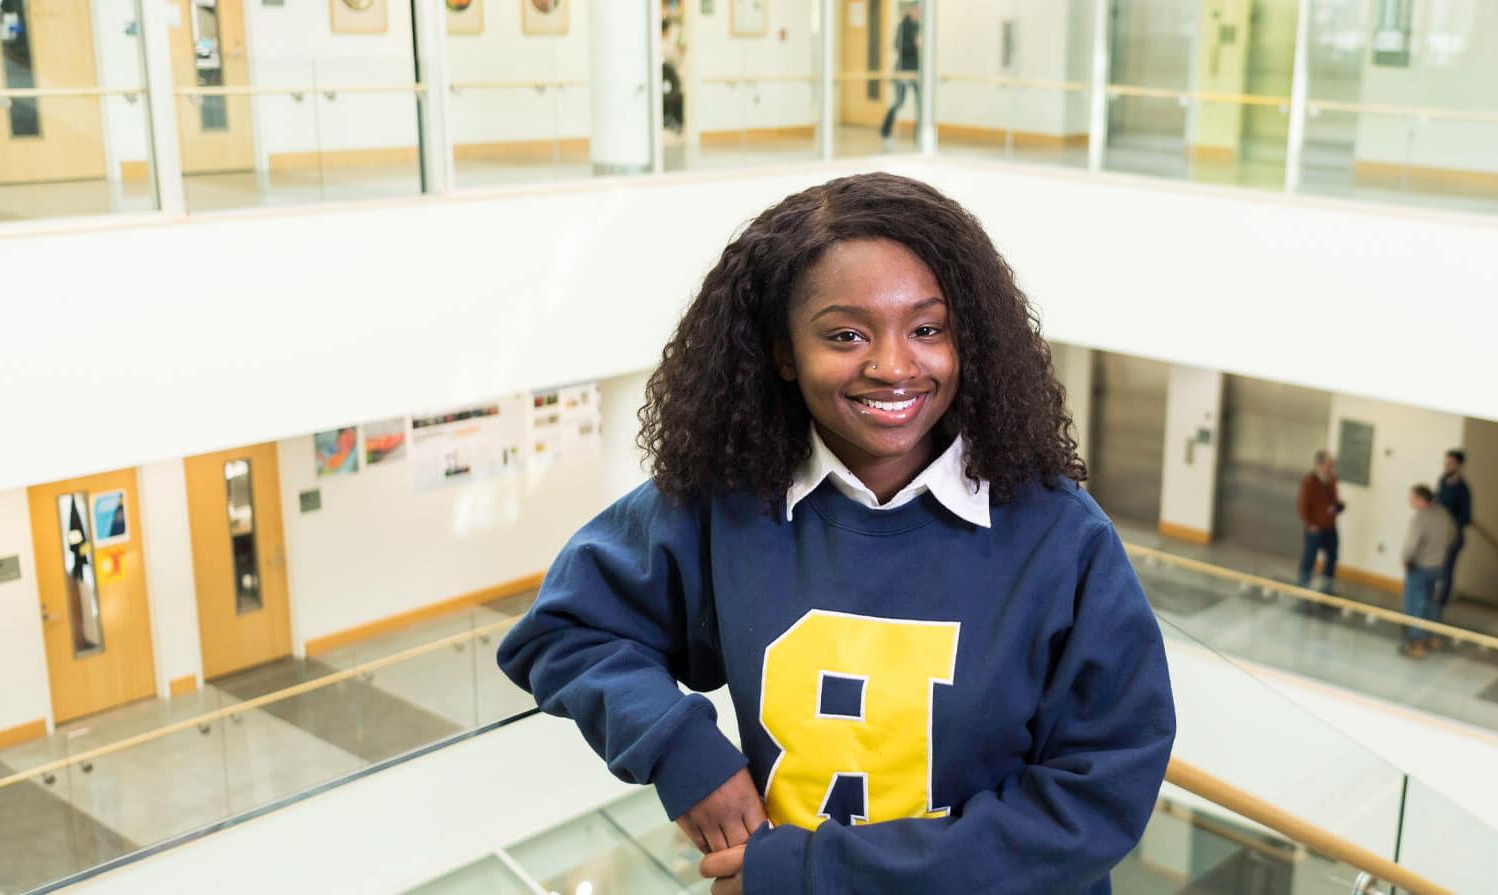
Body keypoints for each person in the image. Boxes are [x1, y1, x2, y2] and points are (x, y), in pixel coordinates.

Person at [499, 173, 1175, 894]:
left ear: (967, 339)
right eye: (845, 334)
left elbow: (1096, 798)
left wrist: (817, 876)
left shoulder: (1061, 537)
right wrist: (681, 750)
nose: (892, 366)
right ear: (783, 353)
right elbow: (565, 629)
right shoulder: (720, 504)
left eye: (926, 328)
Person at [1400, 483, 1458, 659]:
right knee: (1431, 603)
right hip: (1438, 566)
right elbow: (1453, 535)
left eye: (1412, 497)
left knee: (1414, 603)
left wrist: (1406, 559)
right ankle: (1433, 637)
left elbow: (1412, 544)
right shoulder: (1443, 514)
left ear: (1420, 499)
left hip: (1420, 567)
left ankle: (1415, 643)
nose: (1410, 501)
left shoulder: (1420, 518)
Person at [1297, 450, 1342, 593]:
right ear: (1320, 464)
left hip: (1330, 525)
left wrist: (1338, 507)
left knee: (1333, 555)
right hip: (1315, 528)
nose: (1331, 468)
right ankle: (1303, 583)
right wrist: (1310, 524)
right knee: (1310, 556)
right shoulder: (1310, 482)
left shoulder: (1332, 480)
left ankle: (1327, 584)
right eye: (1329, 464)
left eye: (1332, 465)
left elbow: (1333, 502)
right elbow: (1303, 505)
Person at [879, 3, 923, 147]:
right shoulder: (903, 25)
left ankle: (919, 135)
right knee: (899, 102)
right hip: (902, 71)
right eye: (917, 10)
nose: (919, 13)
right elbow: (897, 46)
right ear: (911, 10)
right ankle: (885, 131)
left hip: (916, 72)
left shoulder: (921, 27)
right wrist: (914, 43)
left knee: (921, 103)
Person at [1433, 448, 1471, 610]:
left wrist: (1450, 525)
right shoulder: (1442, 481)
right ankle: (1431, 599)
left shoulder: (1463, 489)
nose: (1447, 465)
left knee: (1446, 569)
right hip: (1438, 534)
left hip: (1452, 536)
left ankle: (1440, 603)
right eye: (1446, 462)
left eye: (1451, 463)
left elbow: (1466, 517)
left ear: (1459, 465)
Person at [660, 17, 685, 132]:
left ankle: (670, 121)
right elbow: (672, 62)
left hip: (667, 80)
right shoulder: (663, 46)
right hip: (666, 79)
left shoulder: (663, 44)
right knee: (676, 96)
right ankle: (674, 122)